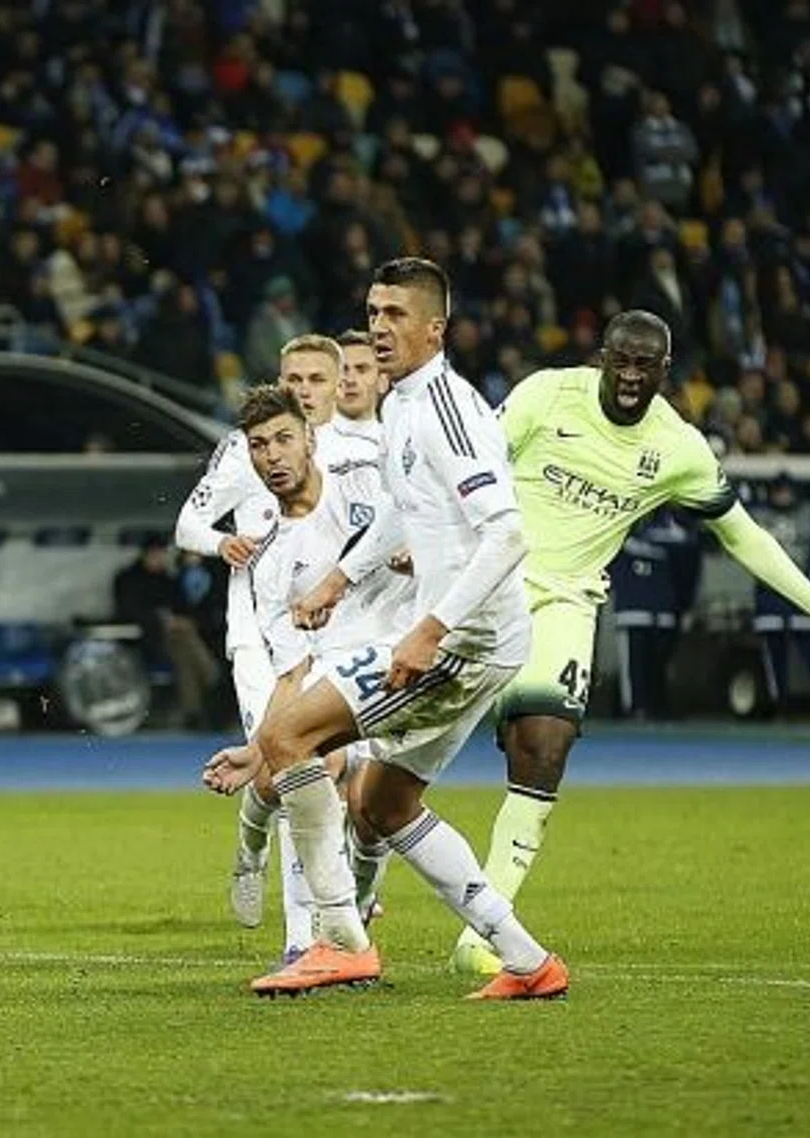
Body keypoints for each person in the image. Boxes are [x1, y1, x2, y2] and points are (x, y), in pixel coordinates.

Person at [446, 311, 810, 976]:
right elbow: (469, 469)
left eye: (645, 366)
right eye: (621, 362)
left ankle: (480, 937)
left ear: (666, 371)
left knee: (544, 748)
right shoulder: (546, 394)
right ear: (602, 358)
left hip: (565, 603)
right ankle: (344, 916)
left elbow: (742, 532)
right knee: (397, 754)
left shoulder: (679, 448)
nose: (630, 377)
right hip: (479, 587)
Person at [203, 257, 563, 1000]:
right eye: (373, 311)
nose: (379, 326)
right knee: (382, 804)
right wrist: (341, 577)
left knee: (285, 739)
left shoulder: (449, 409)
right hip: (475, 643)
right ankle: (530, 963)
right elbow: (403, 507)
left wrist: (429, 628)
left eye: (397, 315)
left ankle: (339, 940)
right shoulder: (402, 404)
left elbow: (506, 535)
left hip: (463, 645)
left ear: (436, 328)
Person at [172, 333, 379, 958]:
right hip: (260, 641)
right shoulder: (247, 450)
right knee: (296, 772)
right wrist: (221, 545)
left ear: (340, 382)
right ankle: (301, 940)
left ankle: (292, 867)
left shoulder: (361, 452)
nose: (306, 391)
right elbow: (187, 524)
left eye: (319, 380)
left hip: (342, 639)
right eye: (295, 379)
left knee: (355, 782)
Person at [749, 474, 810, 716]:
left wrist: (808, 588)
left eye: (786, 491)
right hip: (769, 595)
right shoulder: (759, 516)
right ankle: (781, 704)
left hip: (802, 596)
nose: (782, 496)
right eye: (778, 491)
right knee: (774, 654)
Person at [112, 538, 220, 729]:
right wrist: (161, 620)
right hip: (147, 639)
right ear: (145, 555)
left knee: (184, 659)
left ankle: (192, 713)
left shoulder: (168, 580)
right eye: (156, 555)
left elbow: (182, 609)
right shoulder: (129, 579)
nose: (160, 558)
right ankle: (209, 672)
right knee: (184, 641)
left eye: (162, 554)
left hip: (175, 640)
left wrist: (179, 621)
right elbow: (129, 611)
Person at [608, 509, 701, 718]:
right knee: (650, 666)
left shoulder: (616, 537)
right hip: (657, 612)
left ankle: (638, 708)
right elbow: (687, 572)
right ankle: (644, 707)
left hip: (638, 611)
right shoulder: (674, 537)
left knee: (639, 667)